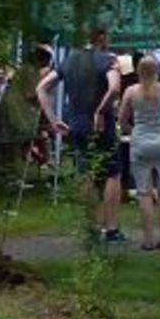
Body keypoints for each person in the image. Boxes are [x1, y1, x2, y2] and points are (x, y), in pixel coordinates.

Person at [57, 25, 125, 243]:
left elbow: (41, 88)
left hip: (76, 123)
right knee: (112, 173)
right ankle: (111, 228)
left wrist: (52, 118)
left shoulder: (69, 61)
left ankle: (91, 228)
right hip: (101, 124)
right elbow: (115, 88)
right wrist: (100, 110)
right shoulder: (107, 59)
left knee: (84, 172)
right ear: (101, 37)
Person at [117, 54, 160, 250]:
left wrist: (134, 131)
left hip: (140, 142)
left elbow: (122, 120)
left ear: (138, 71)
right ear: (158, 71)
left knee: (144, 193)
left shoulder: (131, 91)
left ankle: (148, 240)